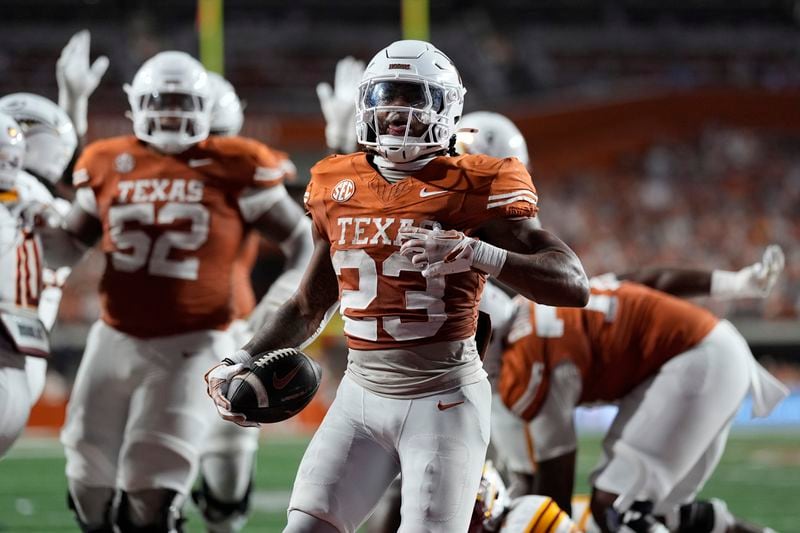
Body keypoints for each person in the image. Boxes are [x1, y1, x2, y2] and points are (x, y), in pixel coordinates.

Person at [206, 39, 589, 533]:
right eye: (388, 94)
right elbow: (308, 305)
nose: (397, 111)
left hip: (443, 399)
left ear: (446, 107)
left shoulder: (479, 181)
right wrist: (241, 357)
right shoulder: (334, 181)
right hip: (360, 394)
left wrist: (478, 252)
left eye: (414, 97)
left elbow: (572, 283)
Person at [37, 50, 308, 532]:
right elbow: (63, 250)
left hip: (195, 341)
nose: (171, 113)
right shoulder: (106, 158)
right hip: (114, 334)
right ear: (135, 105)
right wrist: (33, 216)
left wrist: (276, 313)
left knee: (152, 487)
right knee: (87, 483)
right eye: (160, 101)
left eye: (182, 102)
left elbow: (303, 242)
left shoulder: (236, 162)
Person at [497, 256, 788, 533]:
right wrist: (734, 284)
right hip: (709, 350)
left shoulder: (528, 359)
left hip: (695, 360)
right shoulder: (537, 301)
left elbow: (555, 488)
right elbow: (646, 278)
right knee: (663, 514)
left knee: (617, 509)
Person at [191, 71, 313, 533]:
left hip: (226, 325)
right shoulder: (133, 170)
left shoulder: (243, 171)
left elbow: (309, 235)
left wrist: (280, 302)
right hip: (144, 333)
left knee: (226, 476)